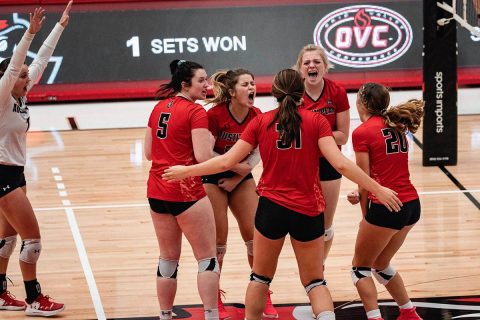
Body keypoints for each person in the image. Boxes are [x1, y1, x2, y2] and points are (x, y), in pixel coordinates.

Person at [163, 69, 402, 320]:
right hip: (308, 209)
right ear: (301, 93)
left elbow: (225, 162)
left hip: (271, 209)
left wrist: (186, 171)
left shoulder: (260, 121)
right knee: (315, 283)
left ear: (274, 92)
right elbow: (341, 164)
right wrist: (378, 188)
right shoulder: (317, 122)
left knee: (260, 278)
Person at [0, 1, 72, 316]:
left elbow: (39, 60)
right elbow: (17, 64)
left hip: (15, 171)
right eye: (22, 77)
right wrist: (28, 34)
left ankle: (0, 293)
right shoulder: (2, 95)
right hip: (2, 174)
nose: (27, 79)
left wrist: (58, 28)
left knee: (8, 236)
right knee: (33, 239)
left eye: (28, 77)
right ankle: (33, 299)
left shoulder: (20, 93)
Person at [145, 59, 220, 320]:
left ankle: (165, 315)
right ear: (185, 84)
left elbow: (147, 153)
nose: (207, 85)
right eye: (202, 80)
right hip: (186, 192)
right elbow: (203, 157)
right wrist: (210, 142)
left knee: (167, 258)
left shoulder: (157, 108)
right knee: (207, 259)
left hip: (157, 190)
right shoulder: (195, 112)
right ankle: (212, 316)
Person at [347, 83, 424, 320]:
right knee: (380, 264)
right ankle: (409, 312)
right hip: (411, 205)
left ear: (361, 103)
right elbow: (386, 171)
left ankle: (375, 317)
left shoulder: (362, 132)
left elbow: (365, 180)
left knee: (359, 270)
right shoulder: (397, 126)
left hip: (387, 208)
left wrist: (366, 218)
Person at [204, 69, 277, 319]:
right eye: (246, 84)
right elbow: (204, 153)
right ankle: (213, 297)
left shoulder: (257, 114)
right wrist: (231, 165)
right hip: (212, 174)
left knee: (256, 238)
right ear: (232, 91)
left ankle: (262, 294)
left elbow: (257, 152)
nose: (252, 87)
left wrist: (237, 176)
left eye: (253, 83)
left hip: (240, 176)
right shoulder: (214, 115)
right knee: (219, 242)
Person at [294, 44, 350, 261]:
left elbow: (343, 136)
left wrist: (312, 135)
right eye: (306, 62)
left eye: (316, 62)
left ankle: (319, 266)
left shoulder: (337, 92)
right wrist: (322, 136)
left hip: (329, 161)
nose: (311, 66)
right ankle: (309, 267)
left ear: (325, 66)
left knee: (325, 224)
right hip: (300, 162)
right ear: (300, 68)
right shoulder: (292, 93)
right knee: (303, 222)